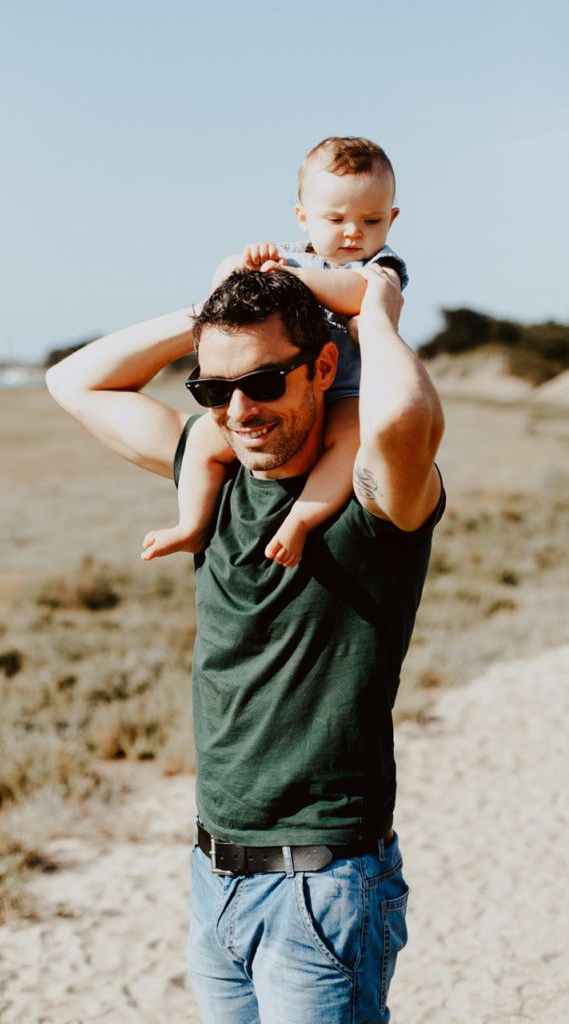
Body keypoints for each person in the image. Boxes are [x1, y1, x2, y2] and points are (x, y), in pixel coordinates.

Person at [46, 263, 445, 1023]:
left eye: (264, 382)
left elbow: (403, 420)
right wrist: (208, 308)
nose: (239, 411)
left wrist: (375, 306)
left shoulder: (373, 498)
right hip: (213, 872)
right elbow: (74, 382)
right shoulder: (216, 474)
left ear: (324, 367)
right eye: (211, 388)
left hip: (322, 886)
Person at [142, 136, 408, 568]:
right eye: (336, 218)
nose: (354, 232)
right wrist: (245, 266)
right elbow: (225, 279)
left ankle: (301, 518)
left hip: (347, 391)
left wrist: (291, 277)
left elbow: (358, 293)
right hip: (294, 382)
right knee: (206, 439)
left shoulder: (379, 266)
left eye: (372, 219)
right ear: (303, 218)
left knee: (350, 442)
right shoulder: (291, 257)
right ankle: (191, 524)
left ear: (392, 219)